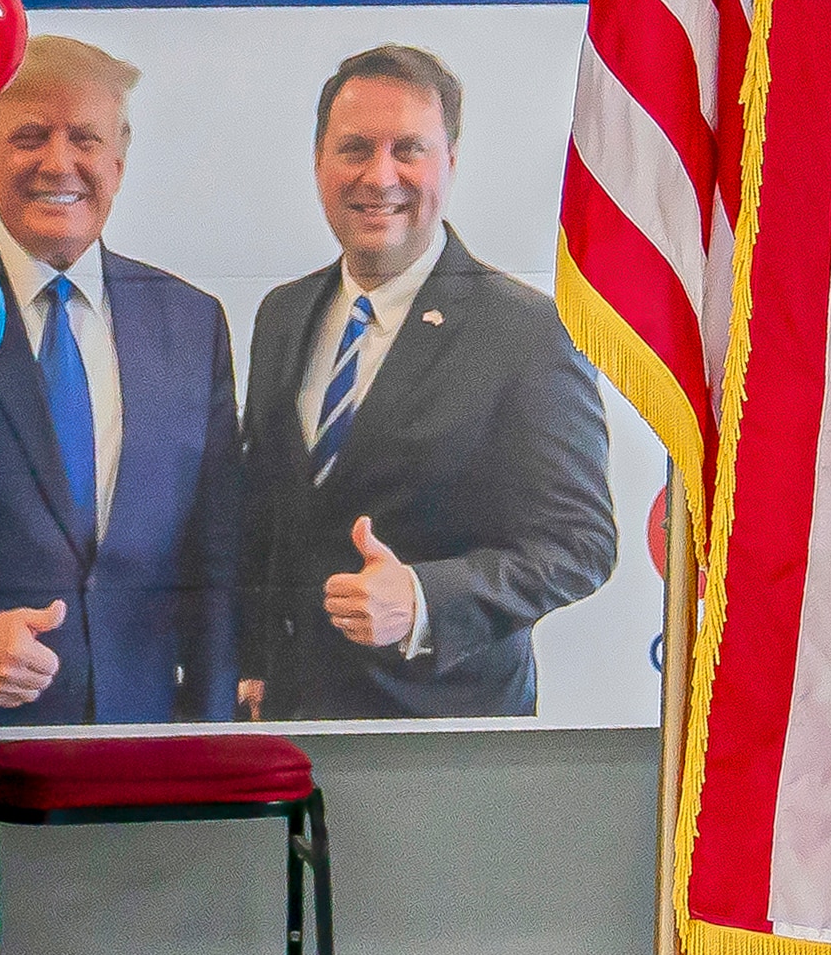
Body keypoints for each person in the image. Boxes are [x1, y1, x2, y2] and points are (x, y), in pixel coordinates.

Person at [237, 45, 618, 720]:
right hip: (290, 728)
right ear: (319, 162)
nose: (378, 176)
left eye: (407, 148)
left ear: (450, 162)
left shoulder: (528, 330)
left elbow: (579, 543)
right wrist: (250, 661)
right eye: (354, 147)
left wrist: (423, 597)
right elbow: (267, 513)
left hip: (446, 734)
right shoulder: (282, 313)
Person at [0, 35, 244, 728]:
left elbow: (216, 552)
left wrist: (217, 730)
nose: (59, 162)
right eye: (30, 137)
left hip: (148, 739)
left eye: (86, 139)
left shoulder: (191, 322)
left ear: (119, 163)